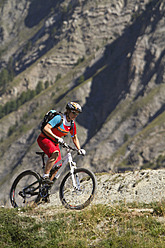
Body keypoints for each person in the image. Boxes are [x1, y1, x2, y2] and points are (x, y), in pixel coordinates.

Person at [37, 101, 85, 185]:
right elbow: (46, 128)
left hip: (55, 142)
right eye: (73, 113)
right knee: (55, 154)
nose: (75, 115)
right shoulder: (59, 118)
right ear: (68, 111)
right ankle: (45, 176)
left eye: (77, 114)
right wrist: (57, 138)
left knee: (58, 166)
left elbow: (74, 137)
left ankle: (46, 189)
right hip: (44, 139)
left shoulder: (72, 124)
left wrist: (79, 149)